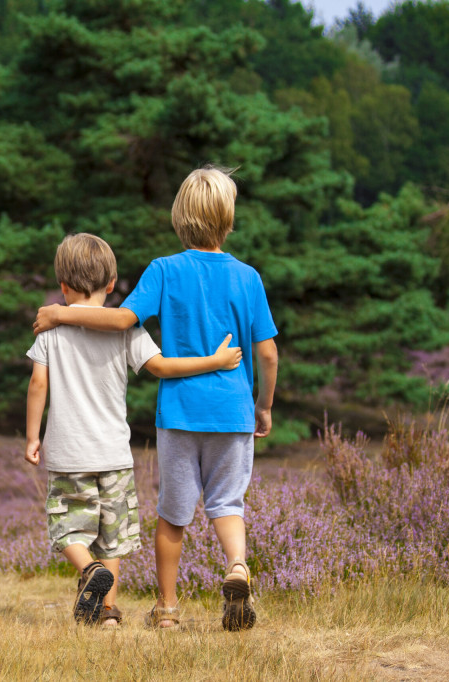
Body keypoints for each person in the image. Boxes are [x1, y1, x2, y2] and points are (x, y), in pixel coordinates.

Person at [33, 167, 279, 632]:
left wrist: (59, 313)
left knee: (173, 516)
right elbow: (267, 353)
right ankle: (237, 567)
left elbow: (123, 319)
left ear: (178, 217)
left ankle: (166, 611)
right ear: (228, 220)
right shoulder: (249, 278)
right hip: (233, 412)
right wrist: (263, 404)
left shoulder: (165, 270)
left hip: (180, 414)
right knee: (228, 505)